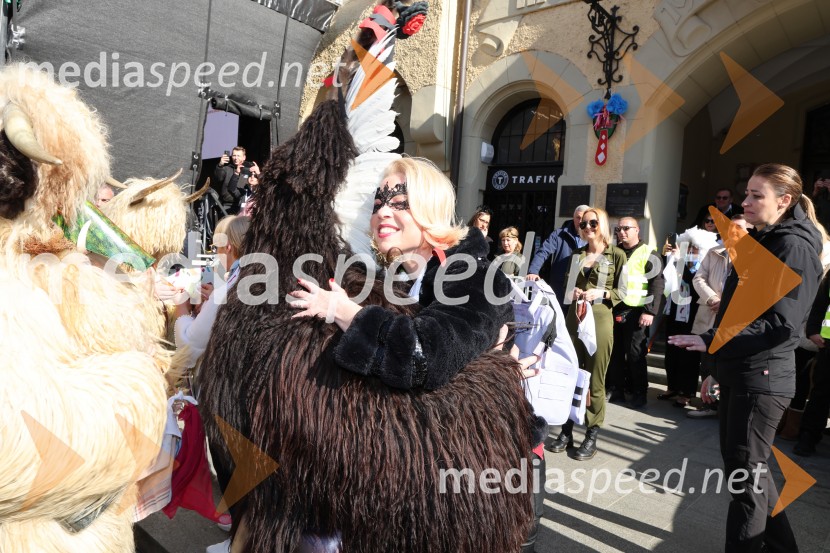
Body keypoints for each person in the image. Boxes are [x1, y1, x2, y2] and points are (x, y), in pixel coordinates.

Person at [289, 157, 547, 551]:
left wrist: (343, 312)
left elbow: (423, 357)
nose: (383, 212)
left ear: (429, 209)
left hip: (478, 485)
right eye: (378, 201)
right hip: (416, 480)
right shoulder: (404, 277)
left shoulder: (471, 272)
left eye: (399, 201)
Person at [669, 163, 823, 553]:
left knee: (745, 484)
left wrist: (715, 342)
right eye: (747, 193)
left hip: (763, 379)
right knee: (751, 475)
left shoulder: (794, 247)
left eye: (758, 195)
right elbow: (743, 311)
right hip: (744, 373)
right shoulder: (767, 238)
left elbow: (782, 325)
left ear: (784, 201)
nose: (745, 202)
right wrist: (712, 349)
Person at [546, 207, 625, 461]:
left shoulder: (617, 255)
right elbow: (569, 288)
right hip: (575, 317)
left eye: (592, 223)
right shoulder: (577, 255)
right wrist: (576, 293)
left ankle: (592, 433)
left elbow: (625, 292)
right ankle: (567, 430)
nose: (587, 228)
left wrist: (602, 293)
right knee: (571, 372)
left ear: (602, 224)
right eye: (583, 225)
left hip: (600, 319)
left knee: (595, 379)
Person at [686, 215, 750, 419]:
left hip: (736, 317)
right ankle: (710, 404)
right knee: (707, 362)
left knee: (729, 361)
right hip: (710, 312)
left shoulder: (756, 256)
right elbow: (699, 278)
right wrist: (713, 298)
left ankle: (726, 406)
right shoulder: (714, 253)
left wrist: (728, 304)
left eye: (739, 227)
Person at [174, 215, 250, 369]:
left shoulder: (227, 291)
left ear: (228, 247)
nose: (216, 254)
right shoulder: (250, 276)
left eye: (217, 248)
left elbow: (189, 346)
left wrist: (181, 307)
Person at [606, 217, 664, 409]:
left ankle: (639, 393)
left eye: (626, 228)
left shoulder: (648, 253)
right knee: (615, 353)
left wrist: (649, 312)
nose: (622, 232)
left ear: (637, 230)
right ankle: (617, 390)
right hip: (614, 308)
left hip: (637, 311)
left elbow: (656, 284)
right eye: (619, 229)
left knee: (635, 354)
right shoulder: (614, 252)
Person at [659, 226, 718, 408]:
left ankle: (686, 392)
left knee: (688, 355)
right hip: (676, 311)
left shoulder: (704, 266)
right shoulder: (681, 260)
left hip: (693, 315)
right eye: (689, 246)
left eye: (695, 247)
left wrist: (682, 262)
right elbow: (667, 278)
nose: (691, 250)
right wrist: (669, 257)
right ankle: (673, 386)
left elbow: (695, 283)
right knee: (672, 351)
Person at [793, 268, 830, 457]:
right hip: (828, 345)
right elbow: (821, 302)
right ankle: (808, 435)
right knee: (821, 391)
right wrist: (813, 330)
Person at [527, 205, 589, 308]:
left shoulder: (592, 236)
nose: (581, 221)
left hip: (583, 288)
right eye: (578, 217)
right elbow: (543, 251)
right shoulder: (559, 234)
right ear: (573, 218)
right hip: (561, 287)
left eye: (584, 219)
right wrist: (533, 271)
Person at [214, 146, 256, 214]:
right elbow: (218, 178)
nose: (236, 158)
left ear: (244, 157)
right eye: (234, 155)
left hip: (244, 205)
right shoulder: (226, 169)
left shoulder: (249, 170)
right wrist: (220, 165)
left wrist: (258, 172)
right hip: (227, 206)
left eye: (238, 156)